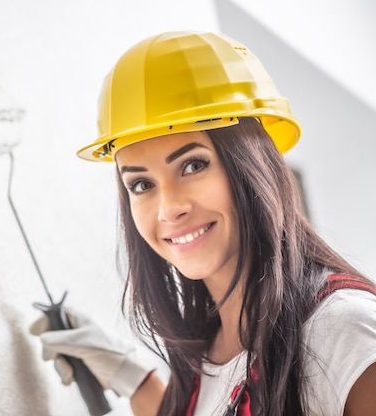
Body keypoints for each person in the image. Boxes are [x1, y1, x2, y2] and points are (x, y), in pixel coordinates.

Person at [30, 31, 376, 416]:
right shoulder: (204, 361)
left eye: (193, 165)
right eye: (141, 184)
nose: (169, 208)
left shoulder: (346, 333)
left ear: (250, 165)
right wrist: (133, 379)